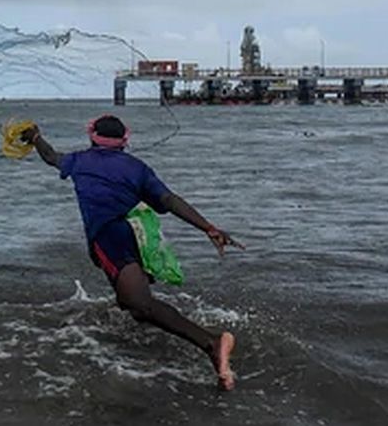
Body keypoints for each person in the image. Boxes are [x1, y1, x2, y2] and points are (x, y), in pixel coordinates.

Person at [20, 114, 245, 390]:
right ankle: (150, 340)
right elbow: (169, 200)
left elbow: (51, 157)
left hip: (109, 237)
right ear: (124, 141)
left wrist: (35, 138)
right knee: (132, 305)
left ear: (92, 136)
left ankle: (212, 342)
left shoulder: (79, 160)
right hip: (131, 234)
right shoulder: (137, 168)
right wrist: (208, 227)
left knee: (140, 304)